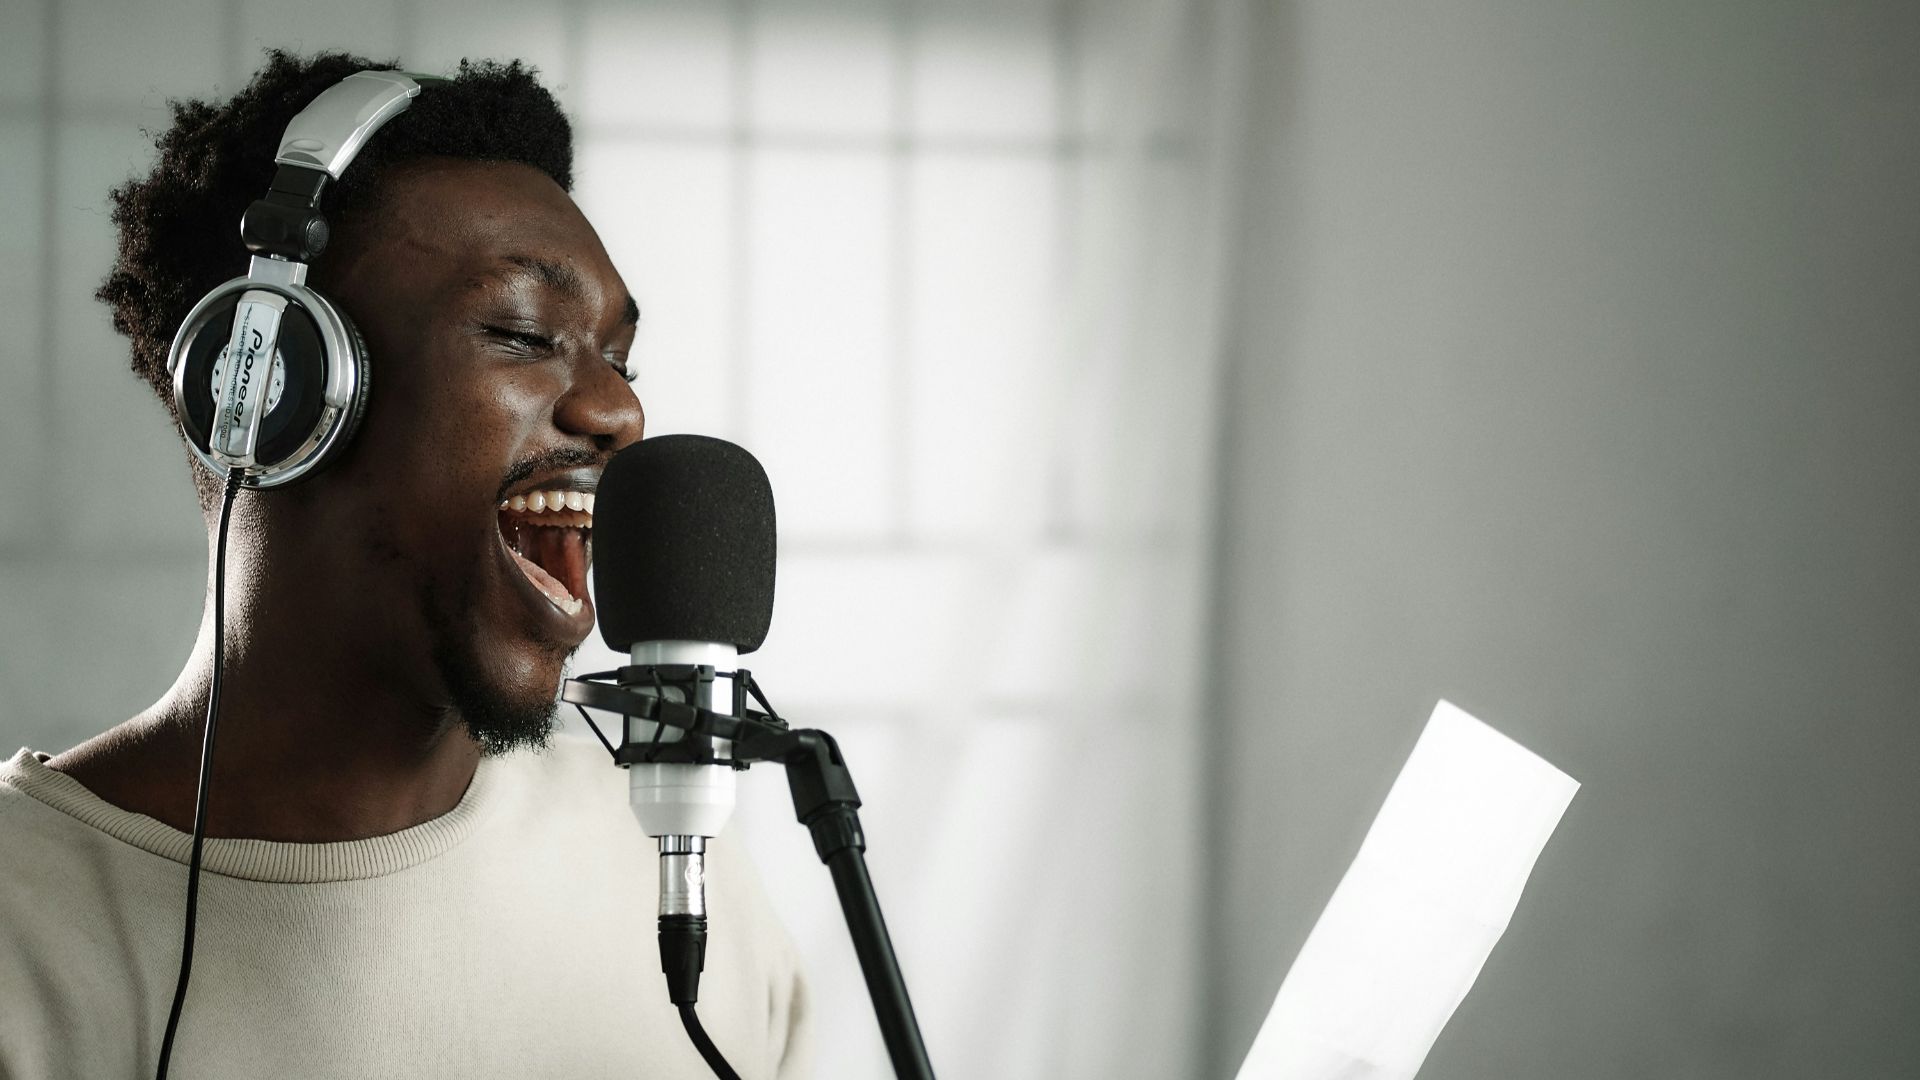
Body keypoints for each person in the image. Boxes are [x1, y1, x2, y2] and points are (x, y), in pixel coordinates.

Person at [0, 51, 809, 1079]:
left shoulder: (672, 856)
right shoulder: (19, 934)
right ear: (271, 391)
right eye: (521, 333)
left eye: (622, 358)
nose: (621, 411)